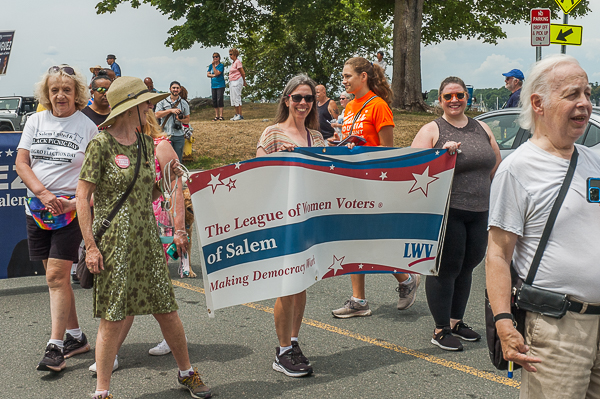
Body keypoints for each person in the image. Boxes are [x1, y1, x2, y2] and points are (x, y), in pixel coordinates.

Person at [76, 76, 211, 399]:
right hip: (113, 245)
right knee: (113, 317)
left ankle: (186, 372)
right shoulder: (101, 144)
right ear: (130, 107)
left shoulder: (144, 143)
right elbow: (83, 198)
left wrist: (167, 177)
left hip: (147, 241)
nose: (152, 107)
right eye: (146, 103)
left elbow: (144, 191)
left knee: (167, 311)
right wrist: (91, 247)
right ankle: (102, 391)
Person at [487, 55, 600, 398]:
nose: (584, 103)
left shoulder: (593, 160)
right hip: (556, 328)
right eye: (572, 94)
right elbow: (497, 254)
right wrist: (504, 323)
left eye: (587, 93)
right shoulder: (516, 170)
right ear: (538, 103)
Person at [86, 110, 190, 372]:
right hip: (120, 231)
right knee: (124, 300)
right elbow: (89, 192)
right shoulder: (105, 143)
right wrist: (91, 242)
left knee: (161, 302)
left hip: (153, 225)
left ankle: (180, 361)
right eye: (142, 107)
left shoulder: (156, 144)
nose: (145, 111)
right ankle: (109, 363)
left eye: (147, 108)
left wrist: (180, 229)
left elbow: (173, 187)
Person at [15, 64, 98, 372]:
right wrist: (43, 195)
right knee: (57, 278)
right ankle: (76, 337)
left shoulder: (88, 127)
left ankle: (55, 347)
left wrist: (72, 204)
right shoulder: (35, 120)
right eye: (54, 90)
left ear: (77, 93)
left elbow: (96, 177)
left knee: (54, 278)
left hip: (71, 212)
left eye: (67, 90)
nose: (60, 95)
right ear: (46, 94)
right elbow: (22, 163)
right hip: (37, 209)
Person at [411, 76, 501, 351]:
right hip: (449, 211)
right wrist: (441, 155)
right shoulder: (432, 130)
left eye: (459, 95)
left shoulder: (481, 127)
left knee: (468, 266)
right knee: (447, 268)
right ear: (439, 100)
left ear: (467, 97)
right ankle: (440, 329)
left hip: (479, 210)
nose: (454, 101)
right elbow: (414, 169)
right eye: (448, 96)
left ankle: (456, 321)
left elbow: (496, 163)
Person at [331, 57, 420, 318]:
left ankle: (405, 278)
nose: (344, 81)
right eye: (344, 76)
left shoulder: (378, 106)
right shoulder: (349, 108)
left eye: (348, 76)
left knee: (373, 239)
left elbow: (387, 150)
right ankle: (359, 300)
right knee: (352, 238)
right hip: (350, 182)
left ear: (363, 77)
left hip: (373, 183)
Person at [256, 74, 325, 377]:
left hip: (308, 220)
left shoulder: (318, 138)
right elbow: (255, 174)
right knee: (286, 285)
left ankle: (294, 341)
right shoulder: (272, 134)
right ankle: (282, 350)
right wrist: (278, 162)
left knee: (301, 282)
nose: (303, 103)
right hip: (281, 218)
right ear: (286, 100)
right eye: (297, 97)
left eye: (308, 98)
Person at [155, 81, 190, 162]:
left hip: (179, 134)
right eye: (173, 88)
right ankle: (166, 174)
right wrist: (170, 111)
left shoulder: (184, 103)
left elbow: (187, 120)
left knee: (178, 160)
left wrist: (180, 119)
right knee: (166, 160)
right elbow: (157, 114)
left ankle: (178, 174)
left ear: (180, 90)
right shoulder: (162, 101)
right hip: (165, 134)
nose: (175, 90)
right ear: (170, 89)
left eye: (177, 88)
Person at [228, 48, 246, 121]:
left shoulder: (238, 62)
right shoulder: (233, 63)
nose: (230, 56)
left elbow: (242, 72)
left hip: (237, 80)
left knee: (237, 97)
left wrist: (244, 81)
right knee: (233, 98)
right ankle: (236, 114)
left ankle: (240, 114)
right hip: (232, 81)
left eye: (231, 54)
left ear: (235, 54)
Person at [207, 52, 225, 121]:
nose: (215, 58)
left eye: (216, 57)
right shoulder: (210, 66)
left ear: (219, 58)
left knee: (219, 99)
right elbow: (208, 74)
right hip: (213, 85)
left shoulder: (221, 65)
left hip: (220, 84)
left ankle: (221, 115)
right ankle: (216, 116)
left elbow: (217, 73)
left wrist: (214, 66)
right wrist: (213, 75)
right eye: (214, 57)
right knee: (214, 100)